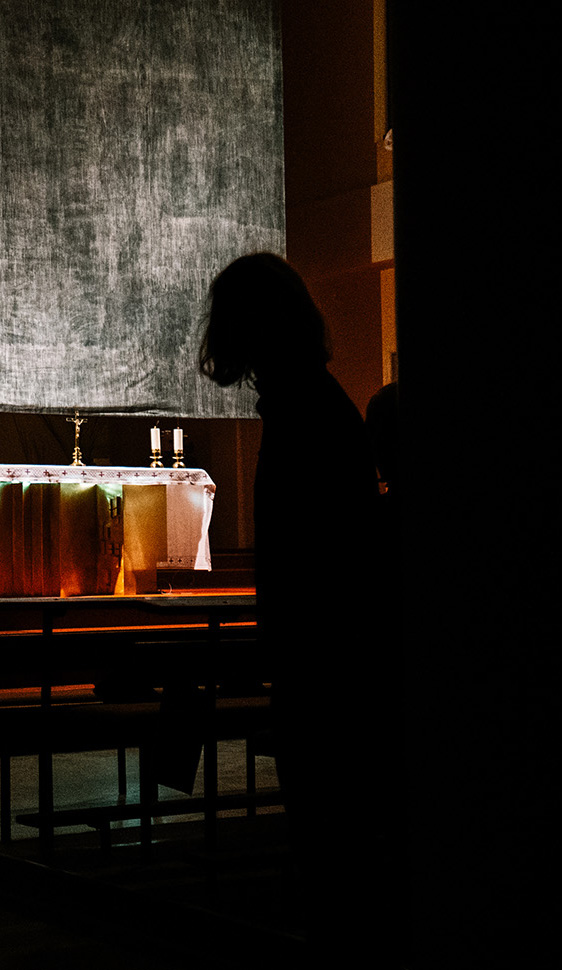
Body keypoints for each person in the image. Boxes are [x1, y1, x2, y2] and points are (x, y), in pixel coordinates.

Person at [200, 253, 403, 966]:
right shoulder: (311, 405)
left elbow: (316, 554)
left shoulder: (305, 415)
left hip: (325, 666)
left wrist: (288, 646)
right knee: (335, 851)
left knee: (334, 850)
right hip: (326, 658)